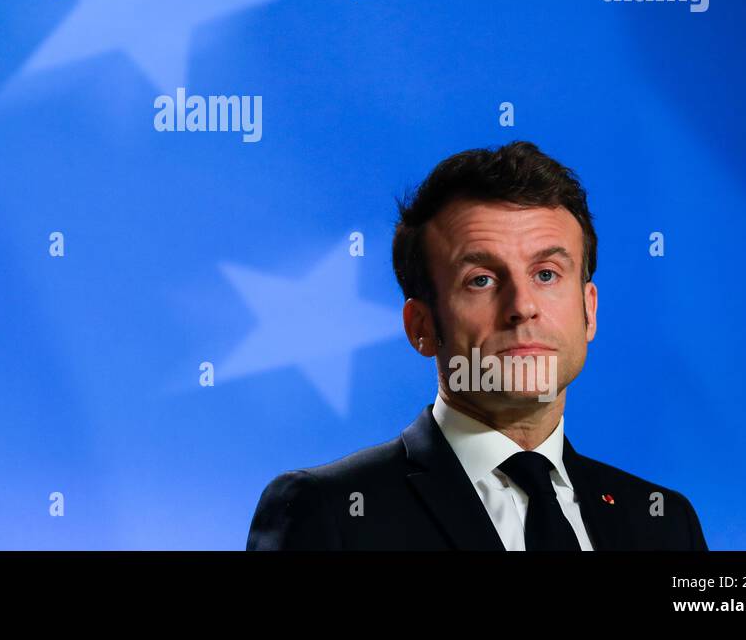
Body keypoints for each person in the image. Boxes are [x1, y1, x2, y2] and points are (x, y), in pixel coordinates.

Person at [246, 141, 708, 550]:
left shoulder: (665, 523)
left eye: (546, 274)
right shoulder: (329, 513)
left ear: (589, 310)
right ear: (421, 326)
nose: (522, 306)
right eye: (481, 280)